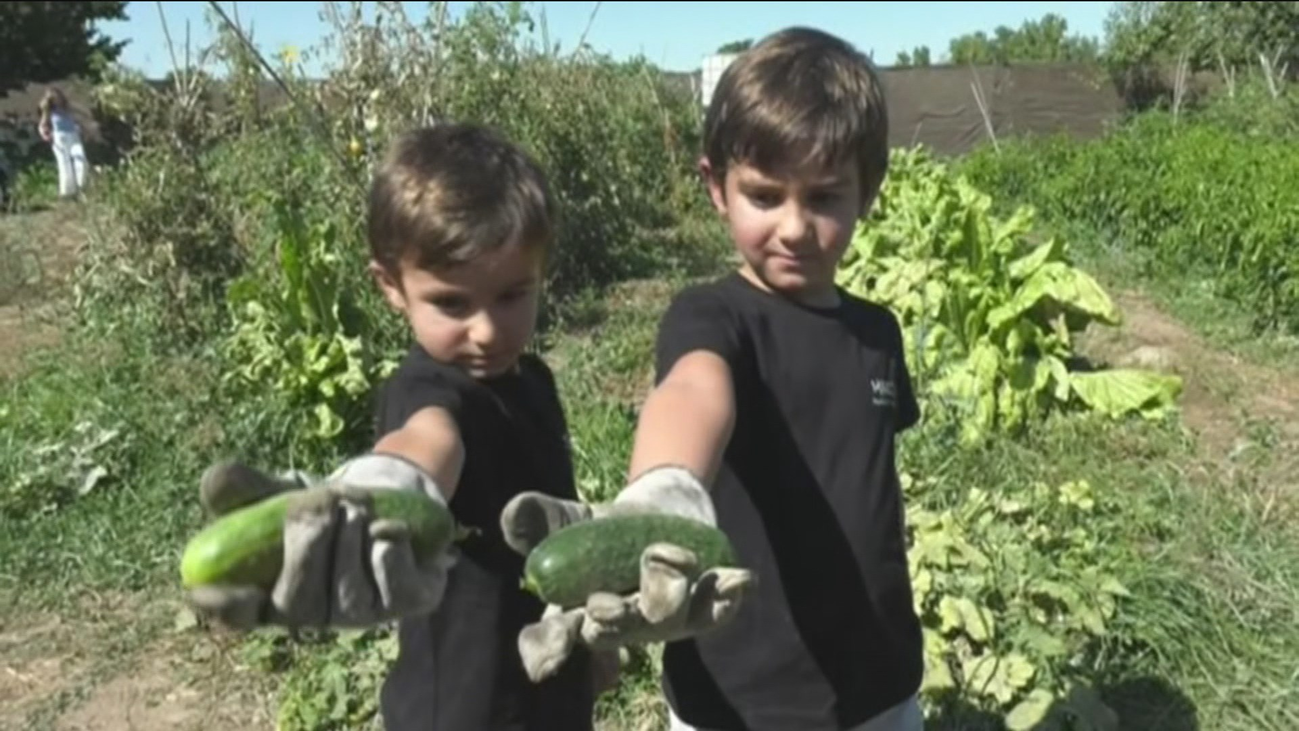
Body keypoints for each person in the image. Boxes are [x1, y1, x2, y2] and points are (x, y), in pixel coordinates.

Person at [500, 26, 925, 731]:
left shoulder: (876, 332)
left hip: (878, 685)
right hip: (734, 699)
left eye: (824, 198)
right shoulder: (713, 317)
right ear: (716, 187)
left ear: (868, 191)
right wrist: (662, 494)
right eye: (764, 196)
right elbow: (694, 394)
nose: (794, 227)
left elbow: (866, 483)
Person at [187, 122, 609, 730]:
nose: (487, 330)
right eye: (452, 303)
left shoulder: (534, 380)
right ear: (391, 286)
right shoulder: (428, 392)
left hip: (552, 691)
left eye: (512, 295)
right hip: (460, 710)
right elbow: (423, 448)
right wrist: (374, 490)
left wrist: (590, 649)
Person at [37, 86, 90, 199]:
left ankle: (81, 186)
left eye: (58, 97)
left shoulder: (68, 107)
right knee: (64, 164)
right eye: (54, 98)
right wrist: (45, 135)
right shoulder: (49, 111)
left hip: (73, 135)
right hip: (60, 137)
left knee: (81, 158)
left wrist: (85, 118)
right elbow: (42, 125)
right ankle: (67, 193)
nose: (58, 100)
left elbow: (79, 113)